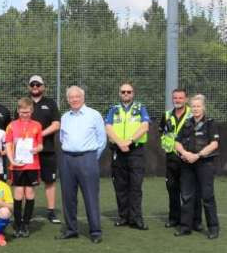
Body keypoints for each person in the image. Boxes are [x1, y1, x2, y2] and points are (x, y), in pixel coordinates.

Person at [56, 86, 106, 244]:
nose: (74, 99)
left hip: (87, 158)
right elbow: (63, 139)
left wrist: (91, 158)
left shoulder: (94, 115)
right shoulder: (65, 117)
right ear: (68, 99)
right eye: (71, 97)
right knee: (68, 197)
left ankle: (95, 231)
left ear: (83, 98)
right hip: (67, 159)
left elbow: (102, 140)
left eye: (77, 96)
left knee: (90, 196)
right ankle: (71, 229)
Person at [105, 82, 150, 230]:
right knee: (121, 186)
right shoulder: (114, 109)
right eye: (123, 92)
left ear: (133, 93)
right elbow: (108, 127)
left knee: (136, 186)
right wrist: (120, 143)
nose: (126, 94)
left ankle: (136, 219)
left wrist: (129, 142)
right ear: (119, 93)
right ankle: (123, 217)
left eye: (129, 92)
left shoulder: (140, 108)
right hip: (118, 151)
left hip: (135, 151)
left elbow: (145, 126)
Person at [174, 94, 220, 239]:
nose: (196, 109)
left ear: (203, 107)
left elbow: (214, 144)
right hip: (187, 164)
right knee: (187, 196)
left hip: (204, 164)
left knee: (207, 196)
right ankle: (185, 227)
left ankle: (213, 228)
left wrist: (198, 155)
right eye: (193, 106)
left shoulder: (210, 123)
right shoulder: (187, 123)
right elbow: (176, 142)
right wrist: (184, 153)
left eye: (198, 106)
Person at [25, 75, 61, 224]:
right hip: (29, 152)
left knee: (49, 182)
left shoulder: (50, 103)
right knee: (29, 182)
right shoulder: (24, 103)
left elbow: (56, 125)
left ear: (43, 87)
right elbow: (18, 124)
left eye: (38, 85)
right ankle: (28, 211)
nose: (35, 87)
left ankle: (51, 211)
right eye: (32, 85)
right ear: (29, 87)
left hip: (47, 150)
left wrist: (38, 134)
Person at [5, 97, 43, 238]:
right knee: (18, 194)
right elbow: (8, 145)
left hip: (32, 165)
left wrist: (36, 149)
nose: (24, 114)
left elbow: (40, 144)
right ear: (18, 111)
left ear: (31, 111)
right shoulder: (11, 125)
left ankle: (26, 224)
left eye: (27, 112)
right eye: (22, 112)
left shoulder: (37, 125)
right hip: (17, 166)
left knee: (29, 194)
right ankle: (18, 224)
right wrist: (11, 160)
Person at [159, 88, 195, 228]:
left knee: (188, 192)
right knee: (172, 189)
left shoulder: (192, 115)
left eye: (180, 98)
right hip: (172, 158)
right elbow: (162, 131)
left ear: (186, 99)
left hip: (187, 158)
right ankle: (174, 218)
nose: (177, 100)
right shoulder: (167, 115)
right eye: (175, 98)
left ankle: (190, 220)